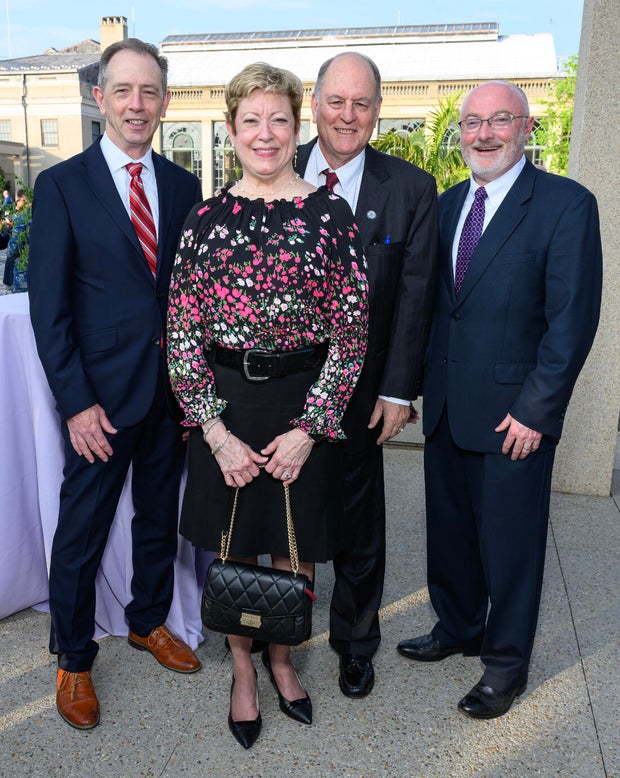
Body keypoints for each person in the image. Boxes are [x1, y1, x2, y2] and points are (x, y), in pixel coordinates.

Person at [167, 62, 368, 748]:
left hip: (302, 403)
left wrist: (312, 427)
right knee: (235, 548)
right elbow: (182, 331)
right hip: (224, 404)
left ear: (296, 126)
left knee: (296, 547)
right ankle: (243, 670)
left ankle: (284, 662)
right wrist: (215, 432)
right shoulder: (204, 219)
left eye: (278, 118)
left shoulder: (329, 214)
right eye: (250, 119)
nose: (265, 132)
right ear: (230, 130)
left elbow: (352, 331)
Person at [397, 81, 602, 719]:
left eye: (500, 120)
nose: (484, 133)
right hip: (450, 407)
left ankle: (505, 665)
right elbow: (433, 309)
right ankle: (457, 626)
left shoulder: (566, 205)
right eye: (473, 122)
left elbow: (572, 321)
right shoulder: (449, 202)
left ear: (526, 127)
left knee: (511, 547)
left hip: (516, 417)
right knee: (451, 532)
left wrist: (538, 410)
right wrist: (410, 392)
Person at [28, 38, 203, 731]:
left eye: (150, 91)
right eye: (123, 90)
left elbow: (188, 296)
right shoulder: (63, 185)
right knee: (83, 529)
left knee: (160, 517)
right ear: (100, 99)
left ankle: (148, 620)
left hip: (169, 395)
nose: (137, 104)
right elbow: (50, 308)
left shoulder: (186, 186)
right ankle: (73, 657)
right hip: (98, 400)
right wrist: (75, 404)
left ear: (163, 102)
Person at [295, 52, 438, 697]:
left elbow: (415, 297)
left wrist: (398, 390)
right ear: (315, 103)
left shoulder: (409, 188)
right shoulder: (273, 166)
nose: (347, 116)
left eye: (362, 104)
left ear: (377, 112)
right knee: (282, 519)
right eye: (336, 101)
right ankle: (275, 633)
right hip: (278, 388)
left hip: (361, 393)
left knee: (358, 524)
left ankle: (355, 643)